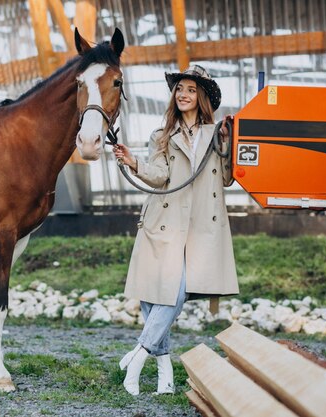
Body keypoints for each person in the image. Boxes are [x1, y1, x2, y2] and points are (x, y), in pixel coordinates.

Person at [113, 65, 239, 395]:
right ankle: (165, 376)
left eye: (191, 90)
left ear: (202, 98)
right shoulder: (162, 136)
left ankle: (138, 357)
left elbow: (226, 178)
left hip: (201, 225)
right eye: (179, 89)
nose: (183, 94)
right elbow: (158, 176)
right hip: (165, 220)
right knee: (154, 296)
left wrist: (226, 148)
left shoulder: (218, 134)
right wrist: (134, 162)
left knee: (175, 291)